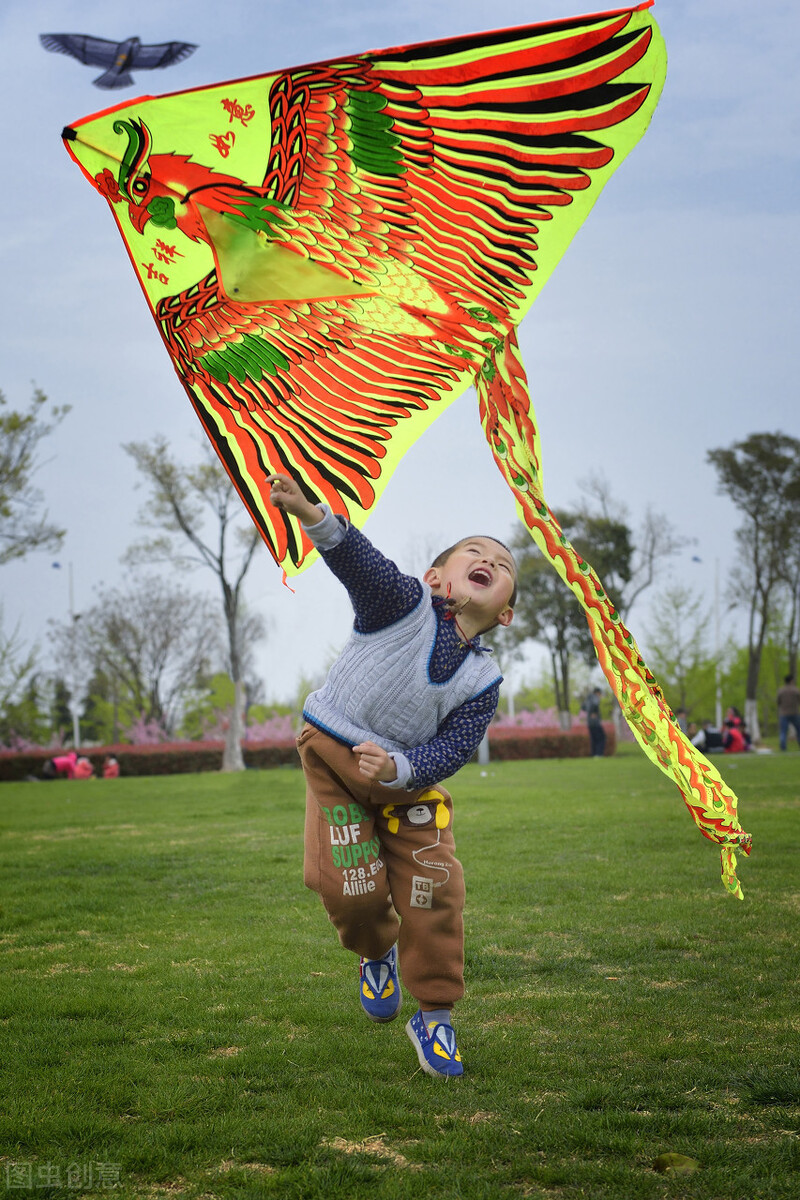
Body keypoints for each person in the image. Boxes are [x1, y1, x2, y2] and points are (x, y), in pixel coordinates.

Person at [267, 473, 517, 1079]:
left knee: (436, 889)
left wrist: (403, 767)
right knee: (347, 889)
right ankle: (375, 950)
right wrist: (313, 515)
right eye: (473, 553)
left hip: (408, 785)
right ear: (437, 578)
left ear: (505, 612)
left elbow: (455, 747)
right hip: (334, 759)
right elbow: (360, 562)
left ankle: (434, 1015)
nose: (488, 559)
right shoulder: (400, 604)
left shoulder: (482, 682)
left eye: (502, 564)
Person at [777, 674, 800, 752]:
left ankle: (783, 746)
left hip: (784, 713)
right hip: (795, 713)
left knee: (783, 731)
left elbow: (778, 702)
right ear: (791, 681)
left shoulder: (781, 690)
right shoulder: (796, 690)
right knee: (799, 730)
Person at [583, 687, 606, 757]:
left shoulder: (588, 699)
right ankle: (599, 754)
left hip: (589, 722)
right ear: (597, 693)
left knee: (593, 738)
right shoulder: (595, 697)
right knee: (601, 737)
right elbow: (595, 704)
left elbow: (583, 707)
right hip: (595, 722)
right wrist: (593, 712)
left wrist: (589, 713)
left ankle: (594, 754)